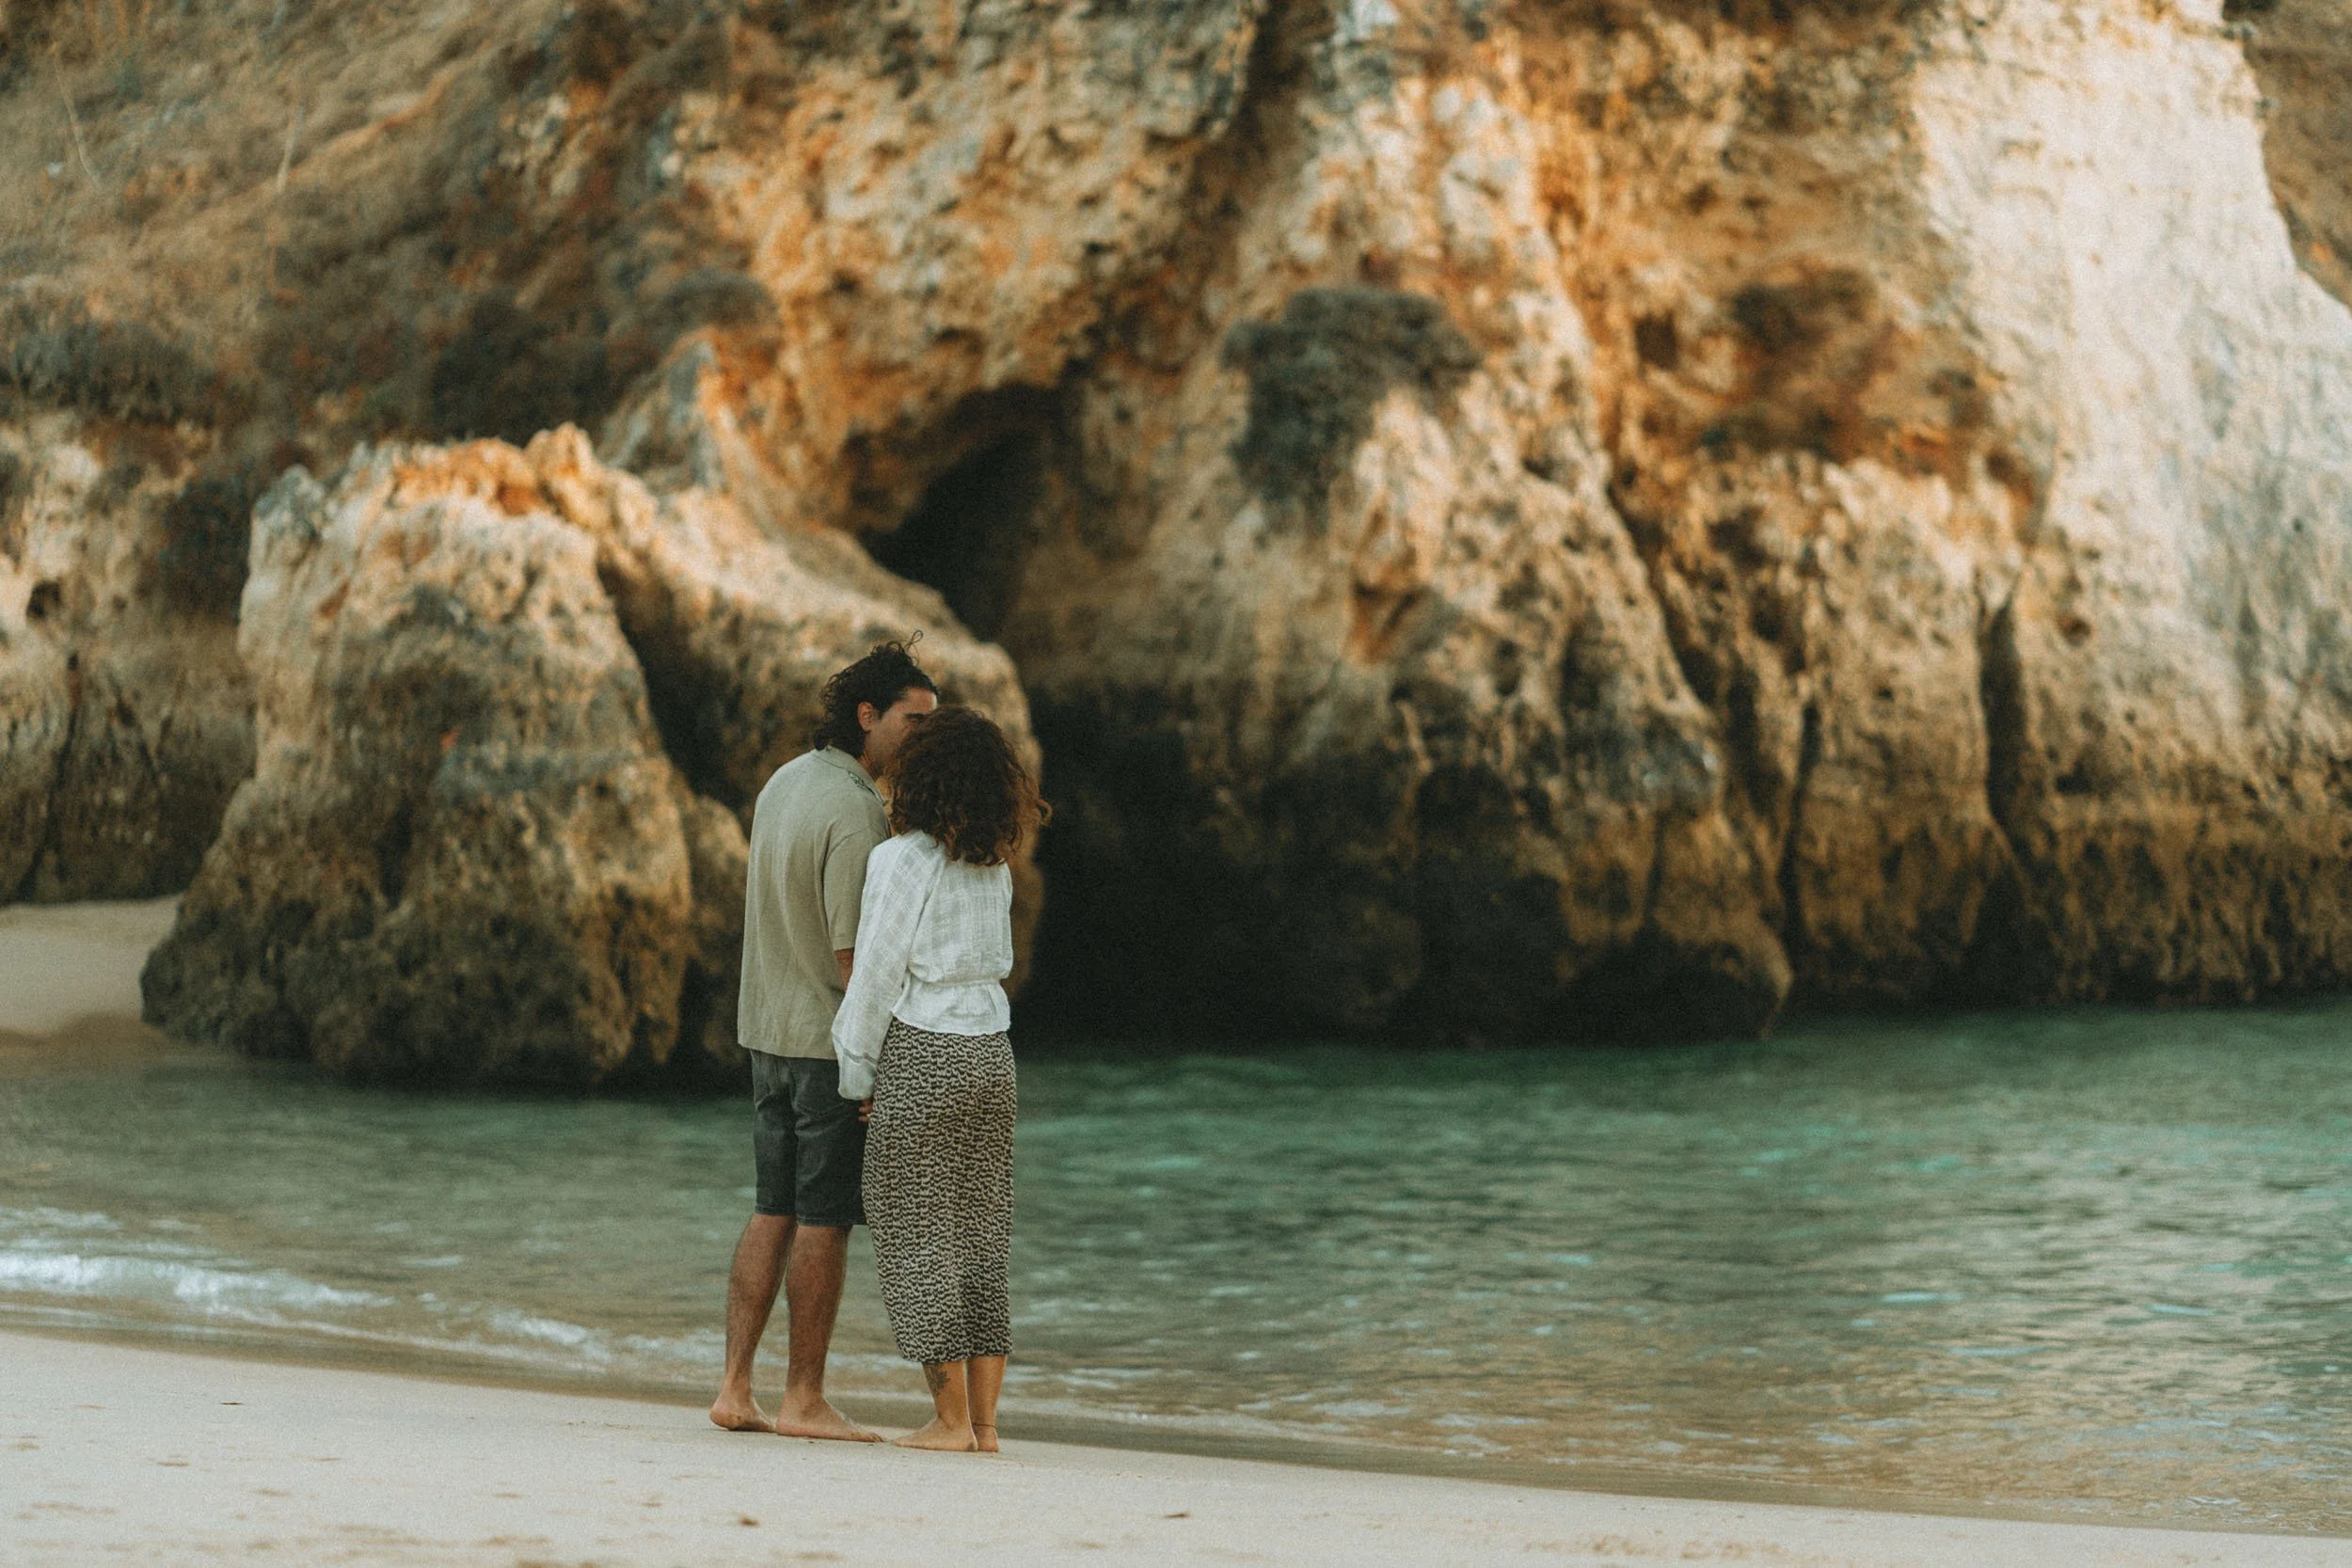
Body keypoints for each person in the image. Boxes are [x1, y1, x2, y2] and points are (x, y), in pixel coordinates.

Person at [708, 641, 937, 1439]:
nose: (924, 736)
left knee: (772, 1206)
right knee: (825, 1217)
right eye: (915, 720)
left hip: (763, 1032)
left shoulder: (783, 783)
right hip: (819, 1043)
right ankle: (803, 1396)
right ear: (868, 716)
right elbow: (851, 959)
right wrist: (887, 1053)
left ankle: (736, 1389)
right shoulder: (857, 810)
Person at [832, 705, 1046, 1453]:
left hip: (928, 1051)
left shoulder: (902, 860)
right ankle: (984, 1425)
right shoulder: (993, 865)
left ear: (920, 776)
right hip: (994, 1055)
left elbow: (877, 978)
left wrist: (857, 1077)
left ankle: (949, 1419)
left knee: (915, 1231)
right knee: (983, 1237)